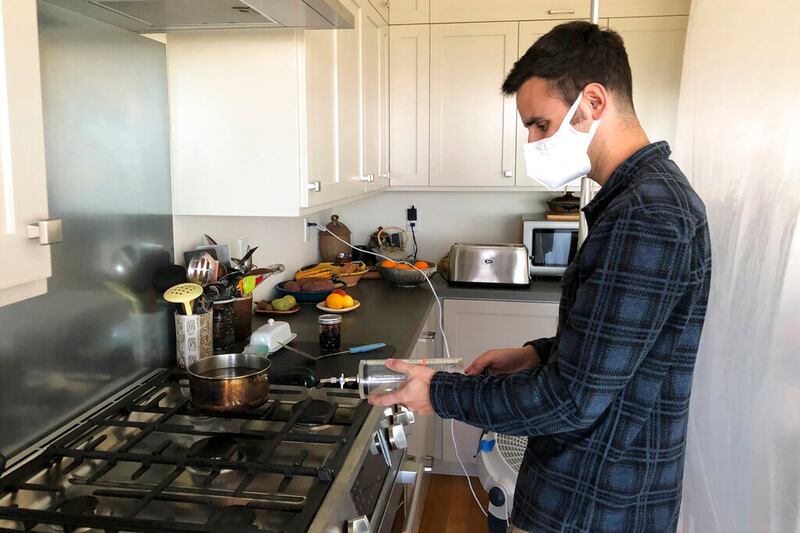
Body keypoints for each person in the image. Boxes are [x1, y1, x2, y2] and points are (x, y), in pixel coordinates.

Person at [369, 21, 712, 533]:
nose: (530, 141)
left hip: (594, 505)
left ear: (593, 101)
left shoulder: (648, 214)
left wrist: (438, 392)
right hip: (596, 491)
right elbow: (618, 349)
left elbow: (571, 400)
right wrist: (535, 354)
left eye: (541, 125)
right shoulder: (641, 200)